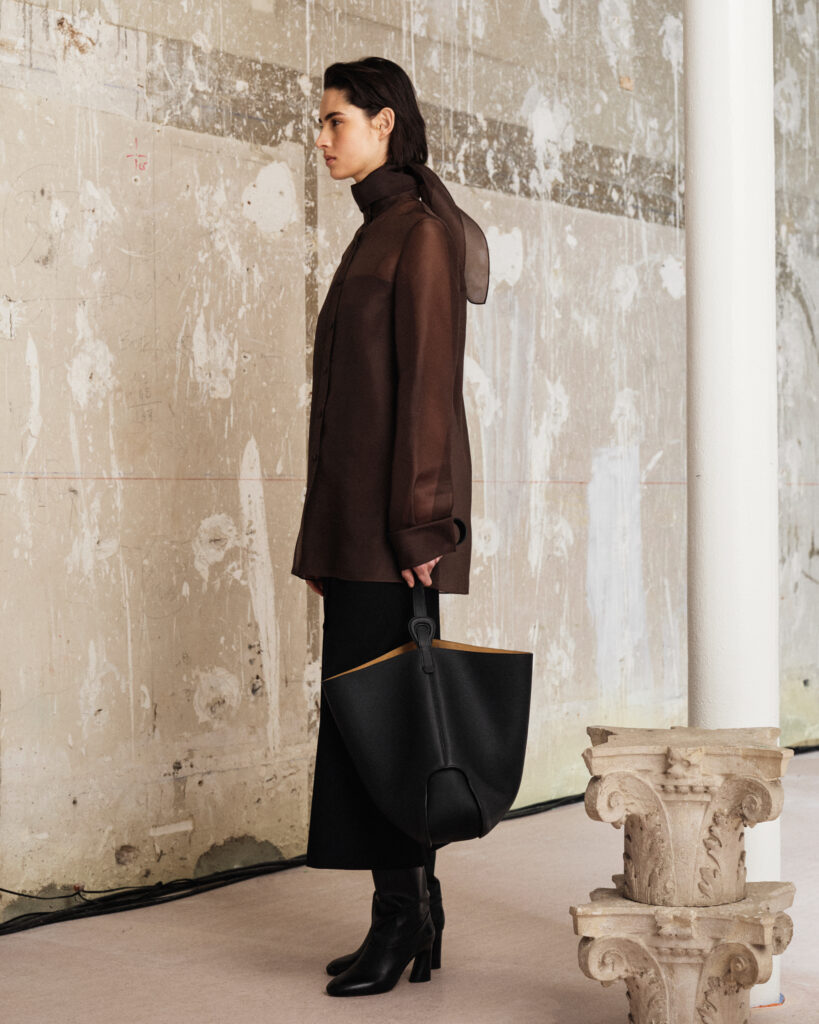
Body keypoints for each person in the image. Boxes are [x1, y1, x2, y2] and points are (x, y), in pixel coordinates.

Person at [291, 56, 489, 997]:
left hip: (393, 535)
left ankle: (401, 919)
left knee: (390, 728)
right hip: (355, 530)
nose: (321, 137)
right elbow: (345, 403)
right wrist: (322, 538)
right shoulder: (376, 231)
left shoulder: (420, 235)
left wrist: (420, 527)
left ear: (383, 123)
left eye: (335, 120)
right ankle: (413, 910)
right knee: (371, 723)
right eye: (322, 121)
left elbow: (428, 392)